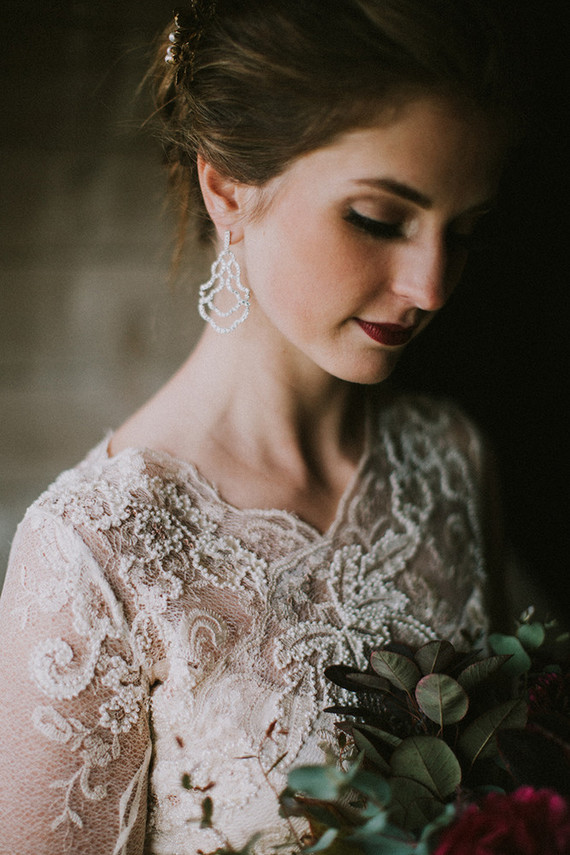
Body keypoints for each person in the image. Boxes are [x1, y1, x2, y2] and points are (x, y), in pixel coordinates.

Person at [0, 0, 519, 852]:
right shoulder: (96, 555)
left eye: (462, 231)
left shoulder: (451, 460)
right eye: (379, 219)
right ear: (228, 186)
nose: (430, 284)